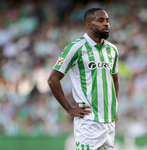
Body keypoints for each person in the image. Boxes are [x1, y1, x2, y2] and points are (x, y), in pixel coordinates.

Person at [48, 7, 119, 150]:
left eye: (107, 21)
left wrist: (114, 106)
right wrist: (69, 108)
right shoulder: (76, 48)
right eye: (100, 21)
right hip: (88, 122)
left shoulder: (112, 50)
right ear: (89, 25)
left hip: (109, 123)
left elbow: (115, 79)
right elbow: (53, 79)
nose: (106, 24)